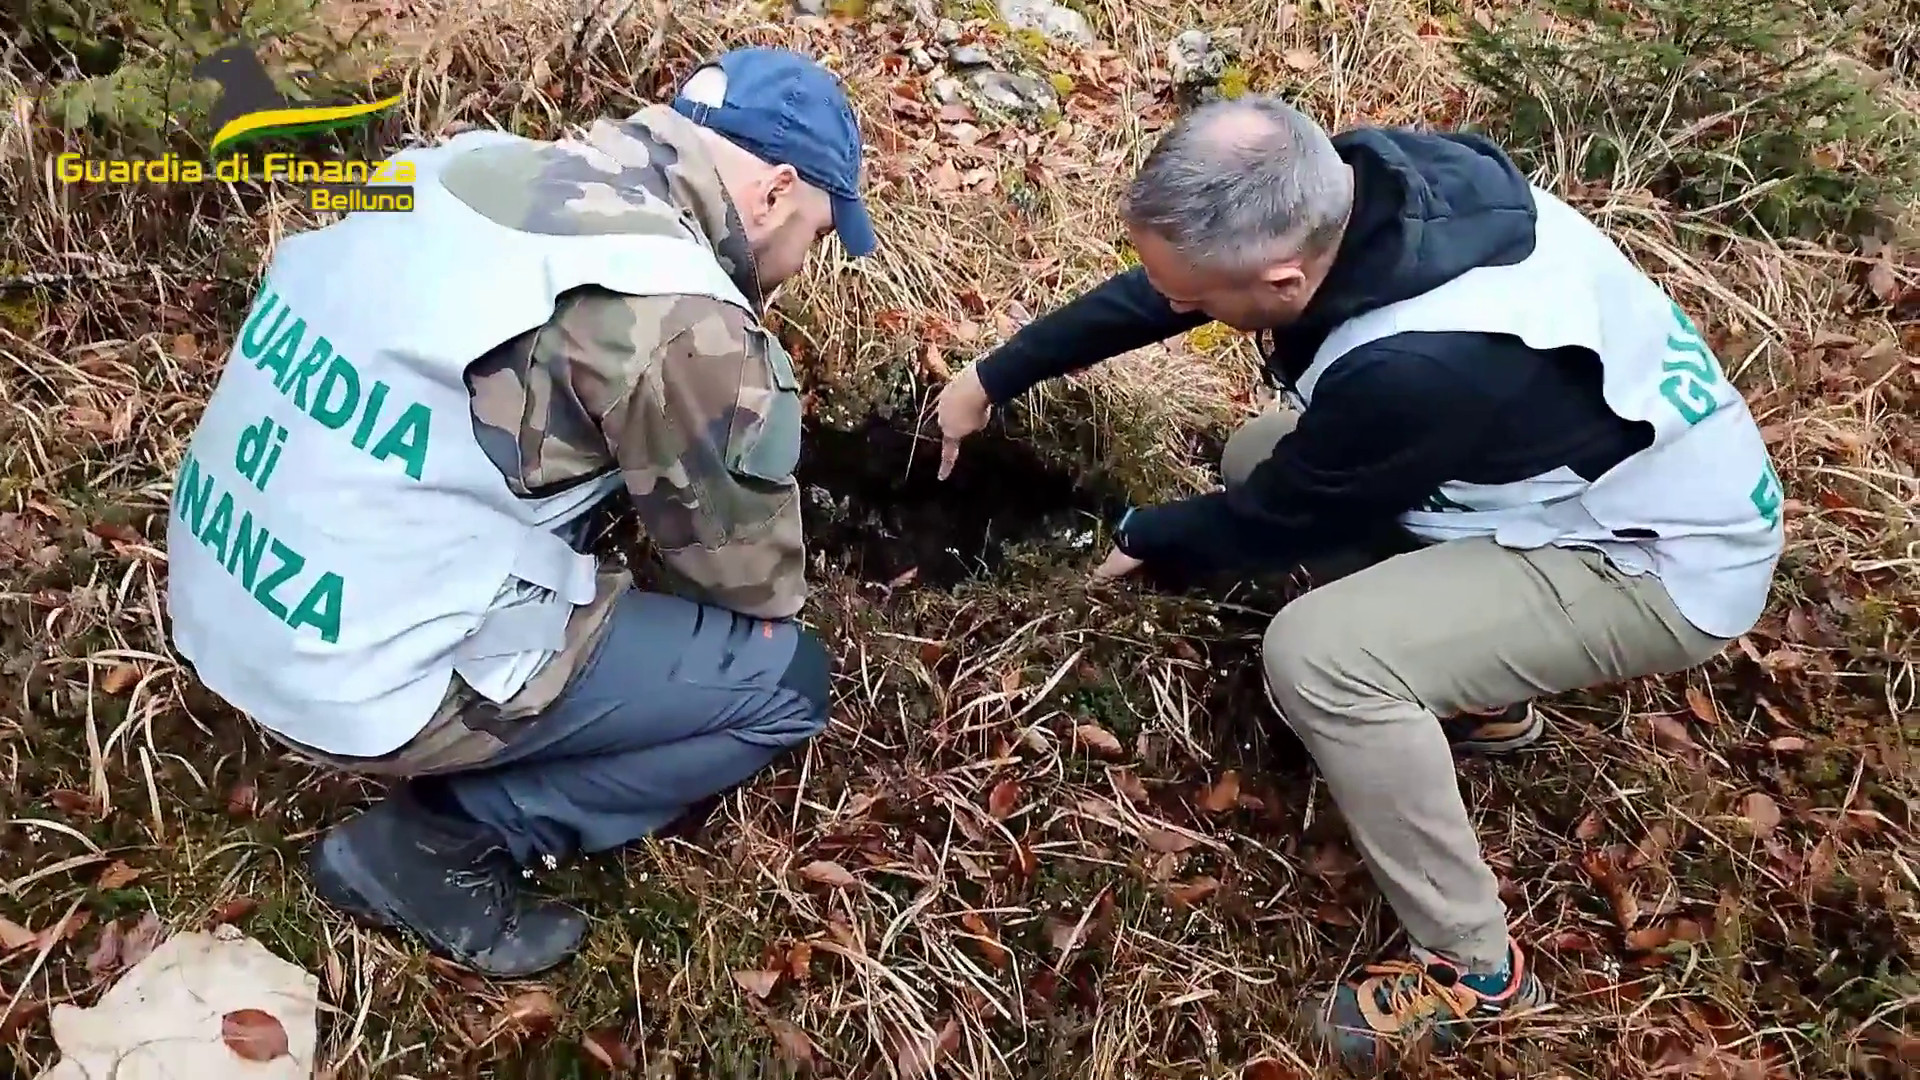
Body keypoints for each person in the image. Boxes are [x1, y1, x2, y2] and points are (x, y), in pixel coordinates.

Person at [933, 95, 1784, 1069]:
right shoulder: (1360, 184)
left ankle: (1473, 968)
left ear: (1284, 274)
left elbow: (1290, 519)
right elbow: (1175, 292)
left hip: (1657, 559)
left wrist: (1148, 533)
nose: (1182, 313)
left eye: (1202, 304)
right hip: (1560, 478)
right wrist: (995, 376)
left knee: (1321, 658)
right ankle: (1481, 705)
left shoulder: (1424, 361)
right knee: (1261, 448)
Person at [166, 46, 877, 977]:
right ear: (777, 191)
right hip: (354, 672)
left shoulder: (465, 164)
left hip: (224, 579)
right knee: (784, 683)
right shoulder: (681, 314)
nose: (806, 262)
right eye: (820, 235)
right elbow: (751, 584)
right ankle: (441, 846)